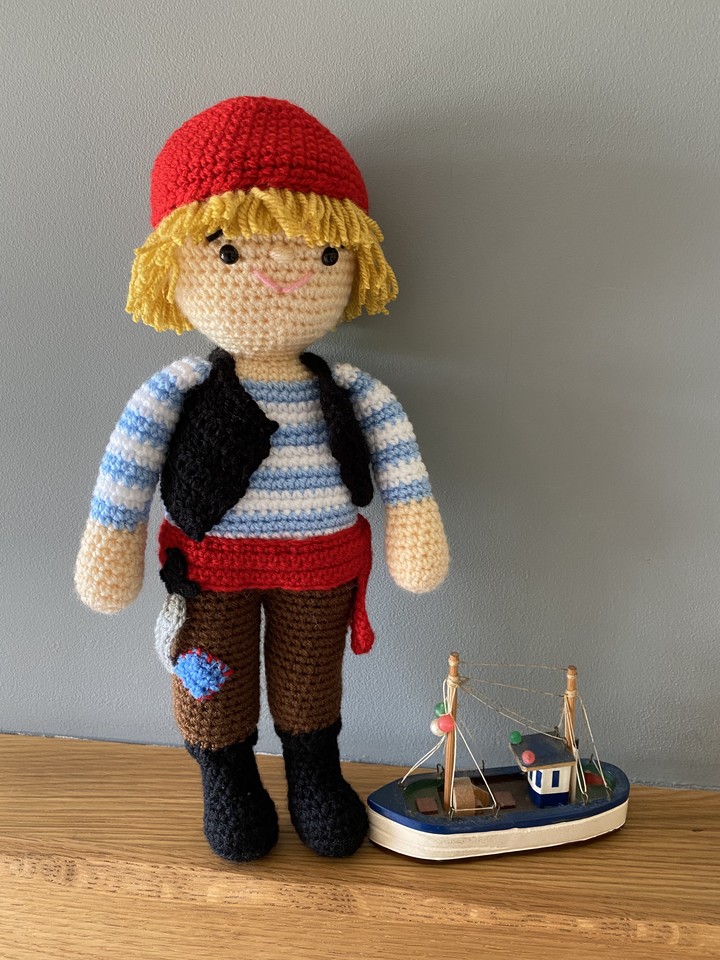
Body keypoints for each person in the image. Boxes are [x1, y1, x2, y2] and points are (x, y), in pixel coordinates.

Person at [75, 96, 449, 861]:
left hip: (321, 567)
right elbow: (127, 470)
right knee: (212, 680)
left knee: (311, 682)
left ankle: (314, 776)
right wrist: (112, 543)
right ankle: (229, 780)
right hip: (210, 571)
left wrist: (414, 530)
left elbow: (402, 472)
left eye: (320, 254)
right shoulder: (176, 389)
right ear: (172, 265)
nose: (283, 274)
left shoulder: (353, 390)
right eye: (232, 253)